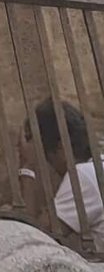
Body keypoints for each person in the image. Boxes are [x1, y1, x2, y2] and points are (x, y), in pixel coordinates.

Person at [20, 98, 104, 251]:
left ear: (61, 147)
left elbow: (32, 240)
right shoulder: (97, 168)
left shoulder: (83, 176)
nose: (50, 168)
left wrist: (28, 166)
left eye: (46, 157)